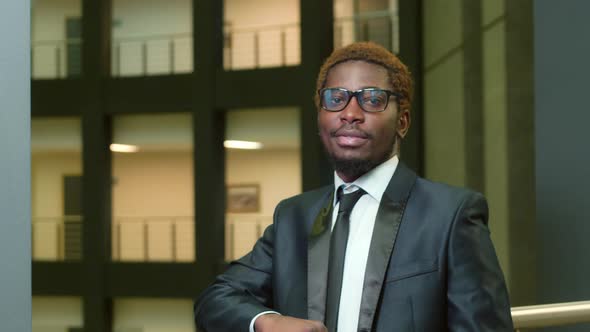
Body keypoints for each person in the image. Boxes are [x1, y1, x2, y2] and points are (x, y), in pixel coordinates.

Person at [194, 42, 513, 332]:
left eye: (372, 99)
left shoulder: (451, 215)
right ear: (320, 116)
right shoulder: (294, 217)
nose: (350, 113)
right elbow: (216, 300)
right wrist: (267, 322)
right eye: (336, 99)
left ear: (402, 121)